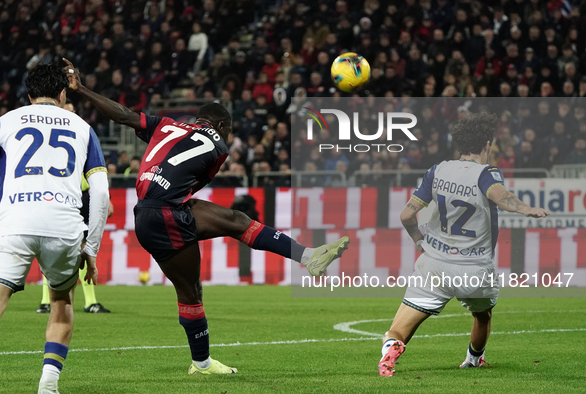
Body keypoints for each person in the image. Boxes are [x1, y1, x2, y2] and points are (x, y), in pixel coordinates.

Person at [63, 58, 349, 376]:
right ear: (222, 126)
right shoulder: (220, 146)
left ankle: (307, 256)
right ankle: (201, 364)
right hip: (166, 215)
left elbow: (122, 114)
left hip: (149, 210)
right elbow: (192, 176)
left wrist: (83, 89)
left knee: (236, 220)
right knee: (191, 290)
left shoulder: (166, 125)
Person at [378, 112, 549, 376]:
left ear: (459, 144)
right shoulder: (486, 173)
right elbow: (500, 196)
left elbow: (406, 215)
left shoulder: (438, 170)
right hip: (474, 268)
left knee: (399, 328)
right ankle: (473, 359)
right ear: (486, 144)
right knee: (482, 316)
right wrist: (526, 209)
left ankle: (391, 346)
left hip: (434, 264)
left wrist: (418, 241)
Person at [0, 62, 110, 394]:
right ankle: (48, 384)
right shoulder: (82, 127)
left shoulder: (6, 122)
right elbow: (101, 192)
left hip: (16, 219)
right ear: (63, 94)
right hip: (64, 225)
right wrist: (91, 248)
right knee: (61, 301)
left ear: (29, 94)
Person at [36, 100, 114, 314]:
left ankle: (89, 302)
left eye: (73, 110)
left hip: (83, 197)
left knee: (78, 249)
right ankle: (47, 301)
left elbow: (94, 171)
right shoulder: (56, 135)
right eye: (67, 110)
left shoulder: (79, 133)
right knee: (52, 249)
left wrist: (107, 200)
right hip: (62, 196)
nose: (70, 113)